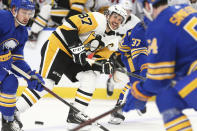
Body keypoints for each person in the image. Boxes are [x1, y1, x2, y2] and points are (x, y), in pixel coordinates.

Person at [14, 4, 127, 129]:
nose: (116, 21)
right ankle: (14, 112)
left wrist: (104, 66)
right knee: (46, 83)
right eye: (115, 16)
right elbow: (68, 25)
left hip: (74, 56)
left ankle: (75, 116)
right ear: (108, 15)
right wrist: (76, 47)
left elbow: (99, 60)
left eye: (120, 19)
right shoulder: (97, 19)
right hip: (58, 46)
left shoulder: (113, 39)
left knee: (90, 77)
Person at [123, 0, 197, 130]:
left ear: (147, 6)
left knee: (165, 99)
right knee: (169, 97)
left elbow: (158, 79)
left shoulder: (158, 26)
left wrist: (140, 91)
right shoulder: (186, 8)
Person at [0, 0, 45, 131]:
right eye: (24, 12)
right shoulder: (2, 18)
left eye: (30, 13)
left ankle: (8, 123)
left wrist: (29, 75)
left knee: (11, 82)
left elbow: (17, 60)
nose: (27, 16)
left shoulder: (22, 33)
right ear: (14, 10)